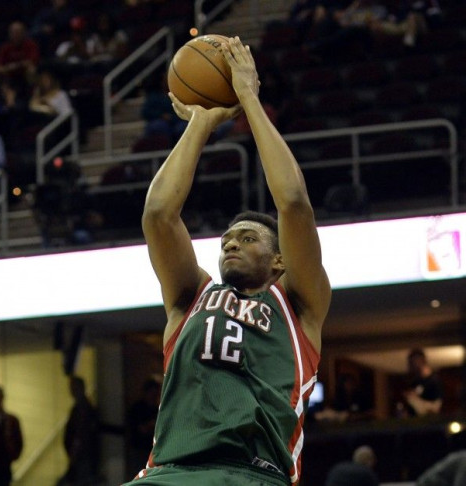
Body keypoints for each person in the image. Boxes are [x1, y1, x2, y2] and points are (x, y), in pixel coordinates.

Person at [127, 37, 330, 486]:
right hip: (166, 473)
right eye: (225, 241)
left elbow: (293, 202)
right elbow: (159, 215)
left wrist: (249, 100)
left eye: (247, 238)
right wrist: (201, 122)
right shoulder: (191, 298)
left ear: (280, 260)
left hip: (251, 474)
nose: (230, 245)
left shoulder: (299, 306)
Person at [58, 376, 101, 486]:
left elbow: (81, 433)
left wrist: (74, 452)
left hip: (82, 456)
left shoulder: (82, 408)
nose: (71, 390)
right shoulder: (80, 407)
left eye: (74, 387)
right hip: (82, 456)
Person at [126, 377, 161, 477]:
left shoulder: (156, 409)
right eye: (152, 394)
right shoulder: (137, 408)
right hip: (138, 450)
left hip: (153, 452)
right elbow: (140, 429)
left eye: (156, 395)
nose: (154, 397)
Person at [403, 348, 443, 416]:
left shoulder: (434, 380)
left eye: (416, 361)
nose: (414, 364)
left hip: (429, 417)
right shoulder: (415, 381)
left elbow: (436, 403)